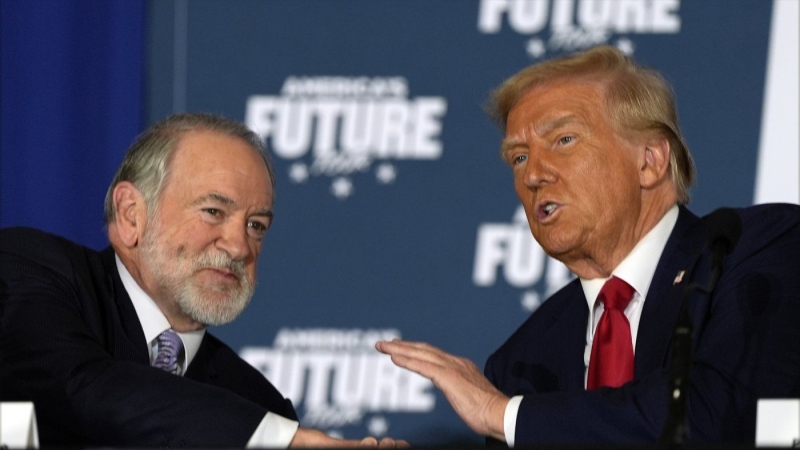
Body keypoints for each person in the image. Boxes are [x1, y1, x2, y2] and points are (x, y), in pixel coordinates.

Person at [376, 45, 800, 445]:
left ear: (649, 160)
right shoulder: (522, 360)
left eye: (563, 141)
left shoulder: (754, 250)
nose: (534, 175)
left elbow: (717, 414)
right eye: (519, 157)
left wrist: (507, 416)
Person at [0, 113, 406, 448]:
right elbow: (81, 388)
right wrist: (277, 440)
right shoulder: (30, 268)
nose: (239, 246)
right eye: (213, 211)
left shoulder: (255, 402)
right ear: (130, 215)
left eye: (256, 225)